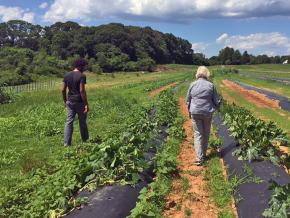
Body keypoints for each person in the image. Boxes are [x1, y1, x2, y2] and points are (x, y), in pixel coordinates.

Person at [186, 66, 221, 166]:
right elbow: (216, 101)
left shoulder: (192, 85)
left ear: (197, 73)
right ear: (207, 74)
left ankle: (198, 158)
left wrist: (189, 111)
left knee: (197, 134)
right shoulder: (211, 85)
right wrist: (218, 106)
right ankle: (204, 155)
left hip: (195, 112)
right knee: (206, 133)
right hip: (207, 113)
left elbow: (188, 100)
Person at [62, 58, 89, 146]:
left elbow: (63, 90)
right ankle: (85, 141)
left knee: (69, 122)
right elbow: (82, 91)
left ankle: (66, 144)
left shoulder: (66, 75)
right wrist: (86, 104)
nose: (84, 68)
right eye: (84, 66)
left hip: (70, 101)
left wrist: (65, 101)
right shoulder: (82, 76)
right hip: (79, 102)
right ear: (80, 66)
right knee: (82, 121)